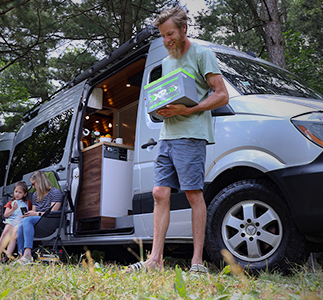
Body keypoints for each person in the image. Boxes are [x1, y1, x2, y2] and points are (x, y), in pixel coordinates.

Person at [127, 6, 229, 273]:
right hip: (167, 135)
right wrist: (161, 108)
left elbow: (221, 95)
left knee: (194, 195)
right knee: (159, 193)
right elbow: (171, 94)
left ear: (184, 29)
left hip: (191, 135)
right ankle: (155, 260)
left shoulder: (202, 54)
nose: (166, 40)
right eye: (162, 35)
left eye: (170, 34)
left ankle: (197, 262)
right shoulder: (167, 61)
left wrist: (191, 109)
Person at [15, 171, 63, 264]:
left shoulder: (55, 193)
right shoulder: (36, 195)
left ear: (40, 182)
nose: (32, 187)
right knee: (21, 224)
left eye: (33, 184)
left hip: (49, 221)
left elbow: (53, 212)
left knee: (28, 220)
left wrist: (35, 214)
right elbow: (33, 211)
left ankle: (27, 253)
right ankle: (22, 257)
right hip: (37, 221)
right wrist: (28, 214)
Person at [0, 181, 32, 263]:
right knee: (5, 232)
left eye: (20, 192)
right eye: (16, 192)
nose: (17, 194)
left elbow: (30, 212)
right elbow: (6, 215)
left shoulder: (28, 202)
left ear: (25, 194)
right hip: (12, 220)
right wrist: (13, 209)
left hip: (21, 220)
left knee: (14, 234)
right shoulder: (11, 202)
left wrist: (27, 215)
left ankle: (8, 255)